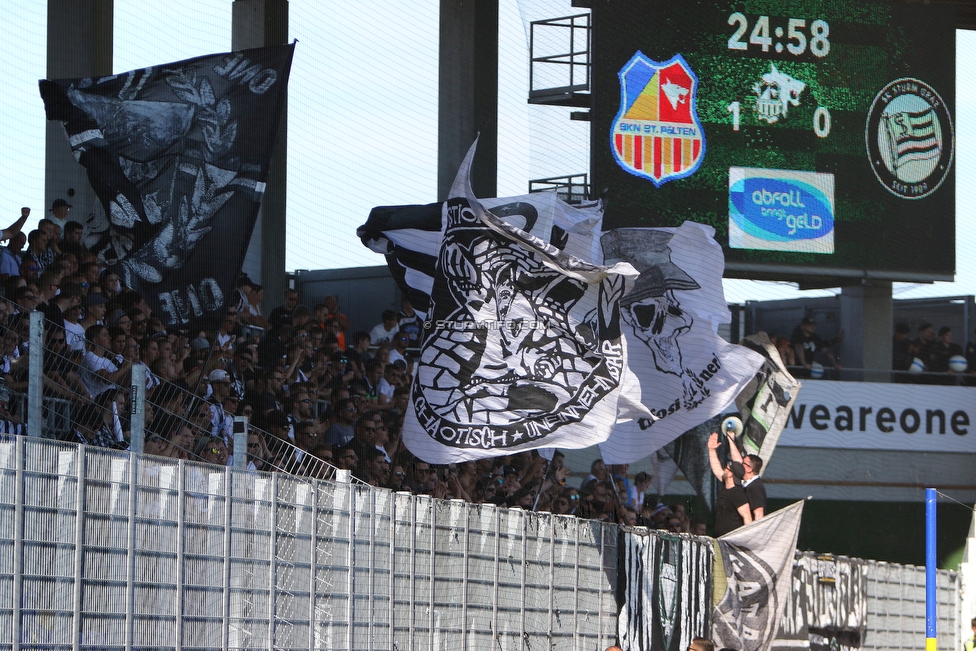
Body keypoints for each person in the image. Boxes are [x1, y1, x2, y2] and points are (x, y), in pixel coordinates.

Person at [707, 431, 752, 536]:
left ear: (731, 475)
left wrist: (744, 540)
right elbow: (717, 469)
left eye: (727, 468)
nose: (724, 469)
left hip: (732, 542)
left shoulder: (737, 493)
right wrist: (711, 450)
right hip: (722, 539)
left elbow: (747, 517)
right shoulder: (727, 486)